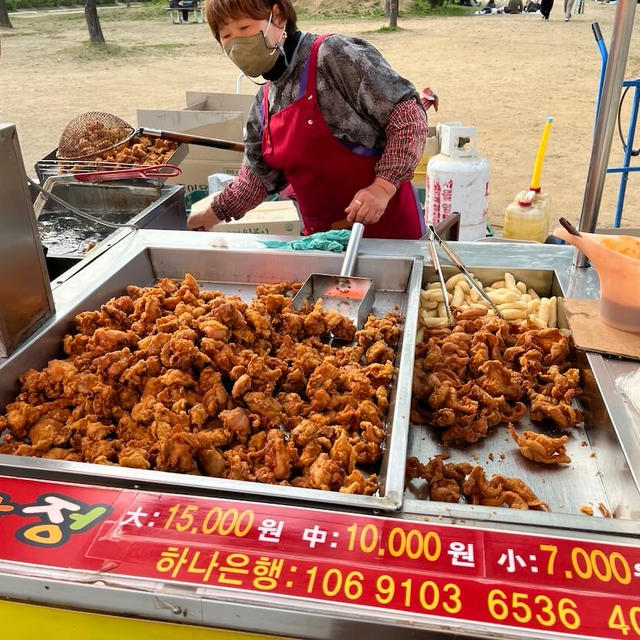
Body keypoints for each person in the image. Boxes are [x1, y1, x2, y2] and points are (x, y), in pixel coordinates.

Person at [186, 0, 427, 239]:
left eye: (244, 28)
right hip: (323, 243)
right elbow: (256, 179)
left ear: (278, 17)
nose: (236, 42)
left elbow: (408, 116)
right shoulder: (264, 103)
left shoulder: (333, 55)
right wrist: (210, 215)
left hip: (390, 235)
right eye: (226, 35)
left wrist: (383, 187)